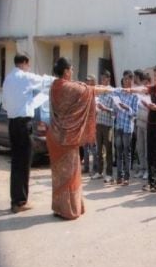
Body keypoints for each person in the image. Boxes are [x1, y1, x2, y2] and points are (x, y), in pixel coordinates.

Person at [46, 57, 111, 220]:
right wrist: (108, 89)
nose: (73, 71)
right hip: (68, 138)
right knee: (70, 174)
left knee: (59, 175)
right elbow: (89, 90)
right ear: (66, 71)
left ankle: (59, 208)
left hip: (55, 136)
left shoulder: (54, 86)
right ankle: (69, 210)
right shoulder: (69, 87)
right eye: (72, 69)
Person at [2, 53, 55, 213]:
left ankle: (16, 200)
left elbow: (5, 104)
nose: (29, 68)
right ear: (24, 63)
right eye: (28, 65)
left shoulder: (8, 79)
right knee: (24, 162)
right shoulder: (24, 76)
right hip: (23, 124)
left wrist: (27, 103)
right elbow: (45, 81)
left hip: (12, 123)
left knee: (16, 162)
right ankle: (20, 202)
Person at [133, 67, 156, 192]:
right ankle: (150, 181)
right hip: (150, 123)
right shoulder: (152, 89)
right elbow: (143, 90)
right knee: (150, 153)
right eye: (154, 76)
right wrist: (147, 104)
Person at [114, 71, 138, 186]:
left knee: (126, 153)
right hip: (119, 125)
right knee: (118, 152)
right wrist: (116, 105)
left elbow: (135, 113)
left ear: (132, 81)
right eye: (125, 79)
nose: (126, 81)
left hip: (128, 127)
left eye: (129, 79)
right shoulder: (119, 92)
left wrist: (127, 107)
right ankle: (119, 176)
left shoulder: (134, 95)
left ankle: (127, 178)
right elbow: (114, 108)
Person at [91, 71, 115, 184]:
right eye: (101, 79)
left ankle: (109, 174)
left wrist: (105, 108)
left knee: (108, 150)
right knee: (98, 150)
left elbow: (115, 111)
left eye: (104, 79)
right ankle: (99, 172)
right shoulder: (99, 92)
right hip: (98, 123)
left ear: (108, 79)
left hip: (108, 125)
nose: (102, 82)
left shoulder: (112, 92)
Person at [134, 71, 149, 180]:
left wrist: (145, 105)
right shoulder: (139, 93)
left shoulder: (151, 95)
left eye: (147, 83)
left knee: (146, 148)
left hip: (147, 124)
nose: (145, 85)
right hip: (139, 123)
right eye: (144, 83)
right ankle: (142, 169)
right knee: (140, 148)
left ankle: (147, 170)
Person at [83, 75, 98, 175]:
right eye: (86, 81)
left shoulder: (96, 94)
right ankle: (86, 167)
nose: (87, 83)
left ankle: (95, 168)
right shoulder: (84, 94)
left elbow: (96, 110)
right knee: (85, 146)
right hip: (85, 123)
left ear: (93, 83)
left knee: (93, 146)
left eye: (89, 81)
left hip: (93, 123)